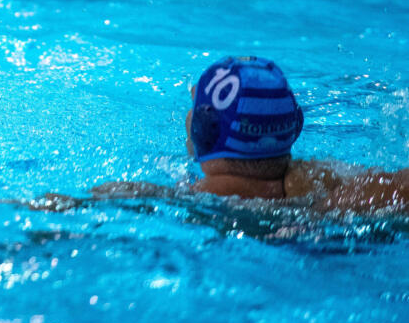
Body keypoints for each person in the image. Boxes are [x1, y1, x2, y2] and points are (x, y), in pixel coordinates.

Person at [34, 56, 408, 216]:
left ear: (204, 130)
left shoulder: (184, 197)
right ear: (293, 127)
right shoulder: (329, 185)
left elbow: (96, 201)